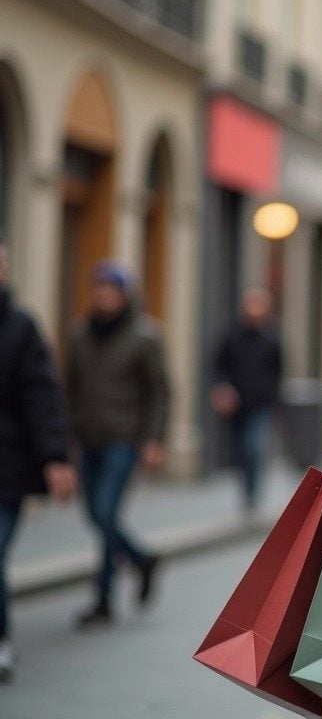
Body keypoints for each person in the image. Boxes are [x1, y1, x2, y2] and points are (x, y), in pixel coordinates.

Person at [66, 261, 170, 627]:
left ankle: (103, 598)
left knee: (106, 513)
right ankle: (141, 560)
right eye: (100, 290)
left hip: (124, 439)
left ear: (125, 295)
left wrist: (154, 439)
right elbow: (71, 389)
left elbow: (159, 392)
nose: (104, 297)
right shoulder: (81, 334)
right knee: (95, 514)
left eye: (112, 290)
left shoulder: (144, 336)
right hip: (88, 438)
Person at [0, 237, 77, 681]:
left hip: (6, 468)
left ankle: (2, 641)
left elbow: (42, 395)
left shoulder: (21, 328)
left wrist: (55, 457)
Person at [210, 287, 282, 513]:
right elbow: (219, 366)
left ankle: (252, 492)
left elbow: (278, 371)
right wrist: (223, 388)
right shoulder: (232, 335)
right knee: (241, 450)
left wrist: (271, 397)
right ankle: (246, 488)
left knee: (254, 448)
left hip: (260, 404)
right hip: (236, 405)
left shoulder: (272, 338)